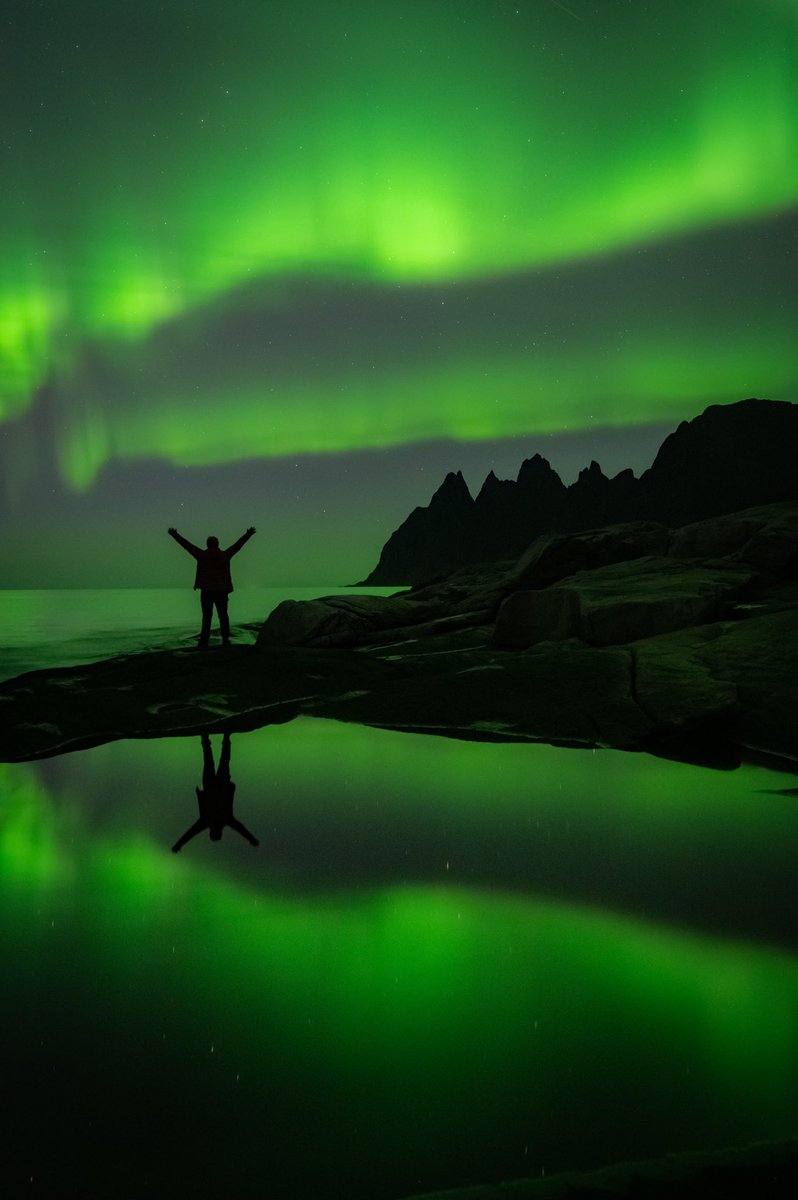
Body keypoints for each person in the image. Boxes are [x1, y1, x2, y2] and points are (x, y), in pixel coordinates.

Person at [168, 524, 255, 647]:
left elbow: (187, 546)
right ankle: (226, 639)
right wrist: (248, 534)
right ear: (217, 544)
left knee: (207, 616)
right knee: (223, 615)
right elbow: (238, 546)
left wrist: (175, 535)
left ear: (208, 544)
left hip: (207, 591)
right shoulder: (225, 555)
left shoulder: (202, 555)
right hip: (221, 591)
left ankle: (204, 640)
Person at [172, 733, 259, 852]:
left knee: (217, 761)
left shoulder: (216, 820)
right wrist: (251, 839)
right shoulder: (218, 820)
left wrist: (179, 845)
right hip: (217, 786)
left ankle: (221, 737)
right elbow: (241, 830)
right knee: (214, 761)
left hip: (215, 786)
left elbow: (190, 834)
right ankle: (211, 737)